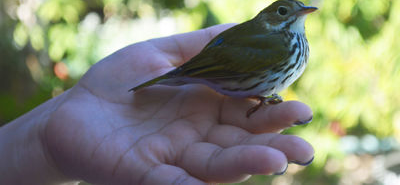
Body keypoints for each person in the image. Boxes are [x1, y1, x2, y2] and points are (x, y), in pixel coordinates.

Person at [0, 24, 314, 185]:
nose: (301, 13)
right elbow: (227, 64)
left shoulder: (283, 44)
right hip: (215, 77)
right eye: (286, 11)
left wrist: (44, 145)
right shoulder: (273, 44)